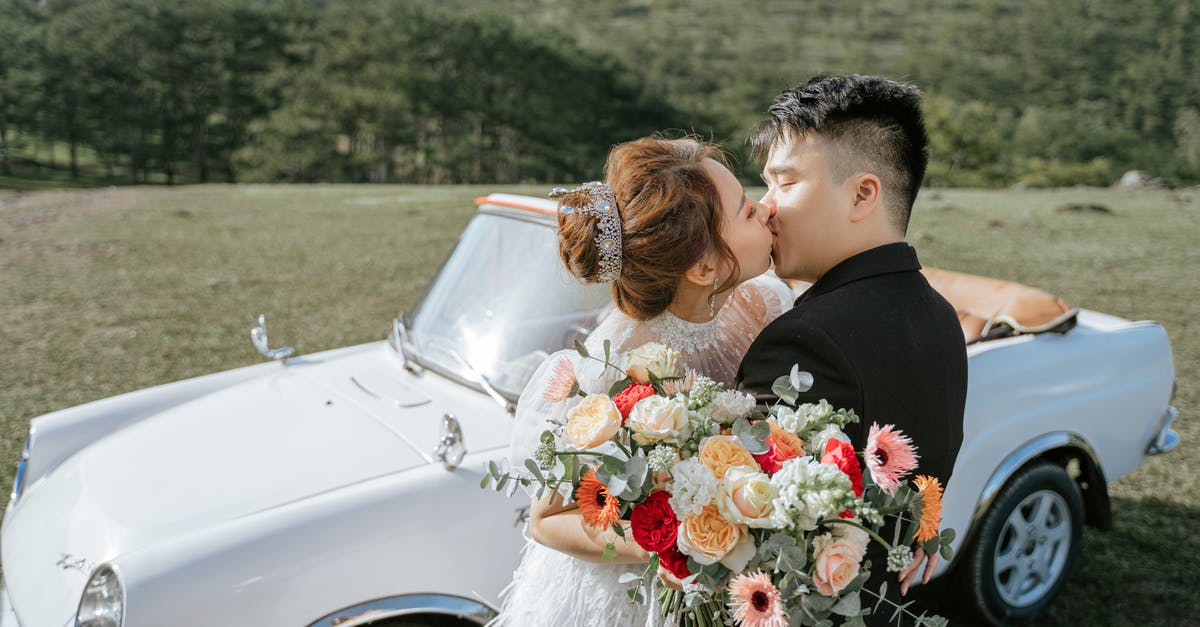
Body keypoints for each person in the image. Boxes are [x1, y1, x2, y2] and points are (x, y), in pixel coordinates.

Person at [493, 136, 793, 626]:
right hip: (640, 594)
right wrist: (675, 543)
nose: (764, 209)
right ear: (704, 267)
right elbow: (547, 522)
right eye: (744, 212)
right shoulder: (611, 366)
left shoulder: (763, 302)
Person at [736, 75, 967, 624]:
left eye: (784, 183)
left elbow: (750, 537)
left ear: (863, 194)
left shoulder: (806, 339)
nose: (766, 208)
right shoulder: (940, 315)